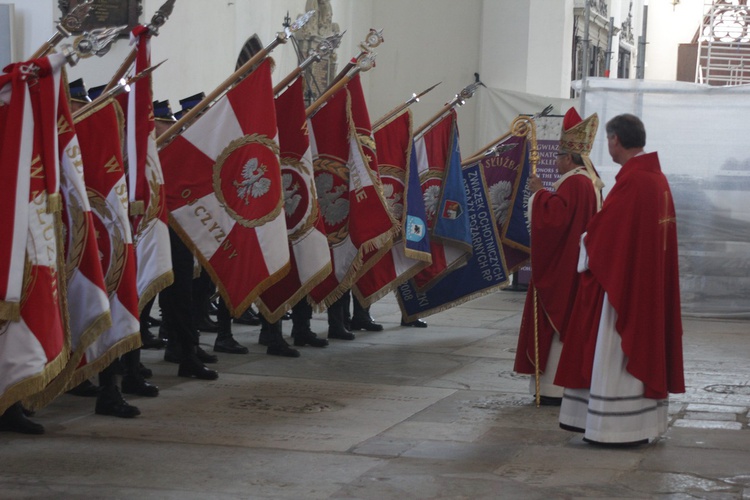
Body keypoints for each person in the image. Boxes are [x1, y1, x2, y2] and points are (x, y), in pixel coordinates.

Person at [555, 113, 685, 446]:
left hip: (625, 288)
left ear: (615, 140)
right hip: (643, 283)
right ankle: (637, 424)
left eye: (608, 141)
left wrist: (586, 240)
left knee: (615, 352)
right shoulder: (656, 179)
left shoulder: (635, 181)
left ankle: (616, 428)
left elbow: (607, 232)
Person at [514, 108, 603, 406]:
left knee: (555, 324)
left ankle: (554, 389)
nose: (555, 162)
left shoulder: (575, 182)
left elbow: (556, 222)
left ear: (568, 158)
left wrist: (539, 194)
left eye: (558, 157)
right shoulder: (589, 180)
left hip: (563, 267)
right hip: (574, 262)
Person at [153, 99, 218, 380]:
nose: (170, 128)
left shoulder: (171, 149)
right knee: (151, 296)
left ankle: (185, 348)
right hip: (153, 227)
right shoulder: (142, 151)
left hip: (176, 225)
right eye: (164, 124)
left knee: (183, 291)